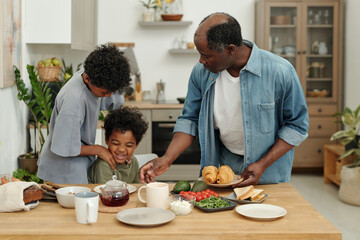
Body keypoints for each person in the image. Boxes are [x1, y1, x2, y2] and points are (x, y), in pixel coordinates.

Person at [139, 12, 309, 186]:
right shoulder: (201, 73)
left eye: (206, 55)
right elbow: (190, 120)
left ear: (230, 49)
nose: (201, 61)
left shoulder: (280, 71)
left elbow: (297, 126)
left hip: (269, 170)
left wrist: (262, 164)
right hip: (224, 168)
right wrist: (166, 159)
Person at [37, 43, 131, 184]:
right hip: (62, 171)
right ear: (87, 79)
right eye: (105, 93)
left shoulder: (93, 74)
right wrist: (99, 150)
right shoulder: (73, 102)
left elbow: (115, 101)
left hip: (78, 164)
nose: (108, 95)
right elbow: (64, 146)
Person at [88, 106, 149, 184]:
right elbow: (107, 194)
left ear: (136, 145)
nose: (121, 149)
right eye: (116, 143)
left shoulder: (133, 162)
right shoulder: (103, 165)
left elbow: (136, 188)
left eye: (129, 145)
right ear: (107, 139)